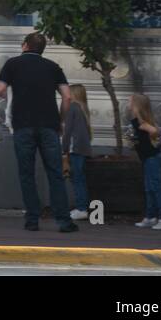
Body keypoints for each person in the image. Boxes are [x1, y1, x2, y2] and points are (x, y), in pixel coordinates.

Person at [0, 32, 77, 233]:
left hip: (23, 125)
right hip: (49, 125)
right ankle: (64, 221)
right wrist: (61, 120)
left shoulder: (12, 64)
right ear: (42, 49)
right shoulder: (53, 67)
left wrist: (12, 102)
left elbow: (0, 90)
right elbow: (67, 97)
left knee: (27, 174)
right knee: (55, 174)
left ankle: (32, 219)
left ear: (24, 46)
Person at [129, 93, 161, 229]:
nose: (129, 104)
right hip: (147, 158)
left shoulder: (142, 123)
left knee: (156, 188)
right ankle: (150, 217)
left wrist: (153, 132)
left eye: (131, 101)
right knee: (149, 188)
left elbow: (156, 131)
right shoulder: (137, 121)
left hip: (152, 158)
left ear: (137, 106)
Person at [61, 83, 92, 221]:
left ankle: (81, 208)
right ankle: (82, 207)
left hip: (75, 149)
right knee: (80, 179)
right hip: (83, 149)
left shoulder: (72, 108)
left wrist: (64, 149)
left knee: (76, 179)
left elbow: (67, 131)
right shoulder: (83, 108)